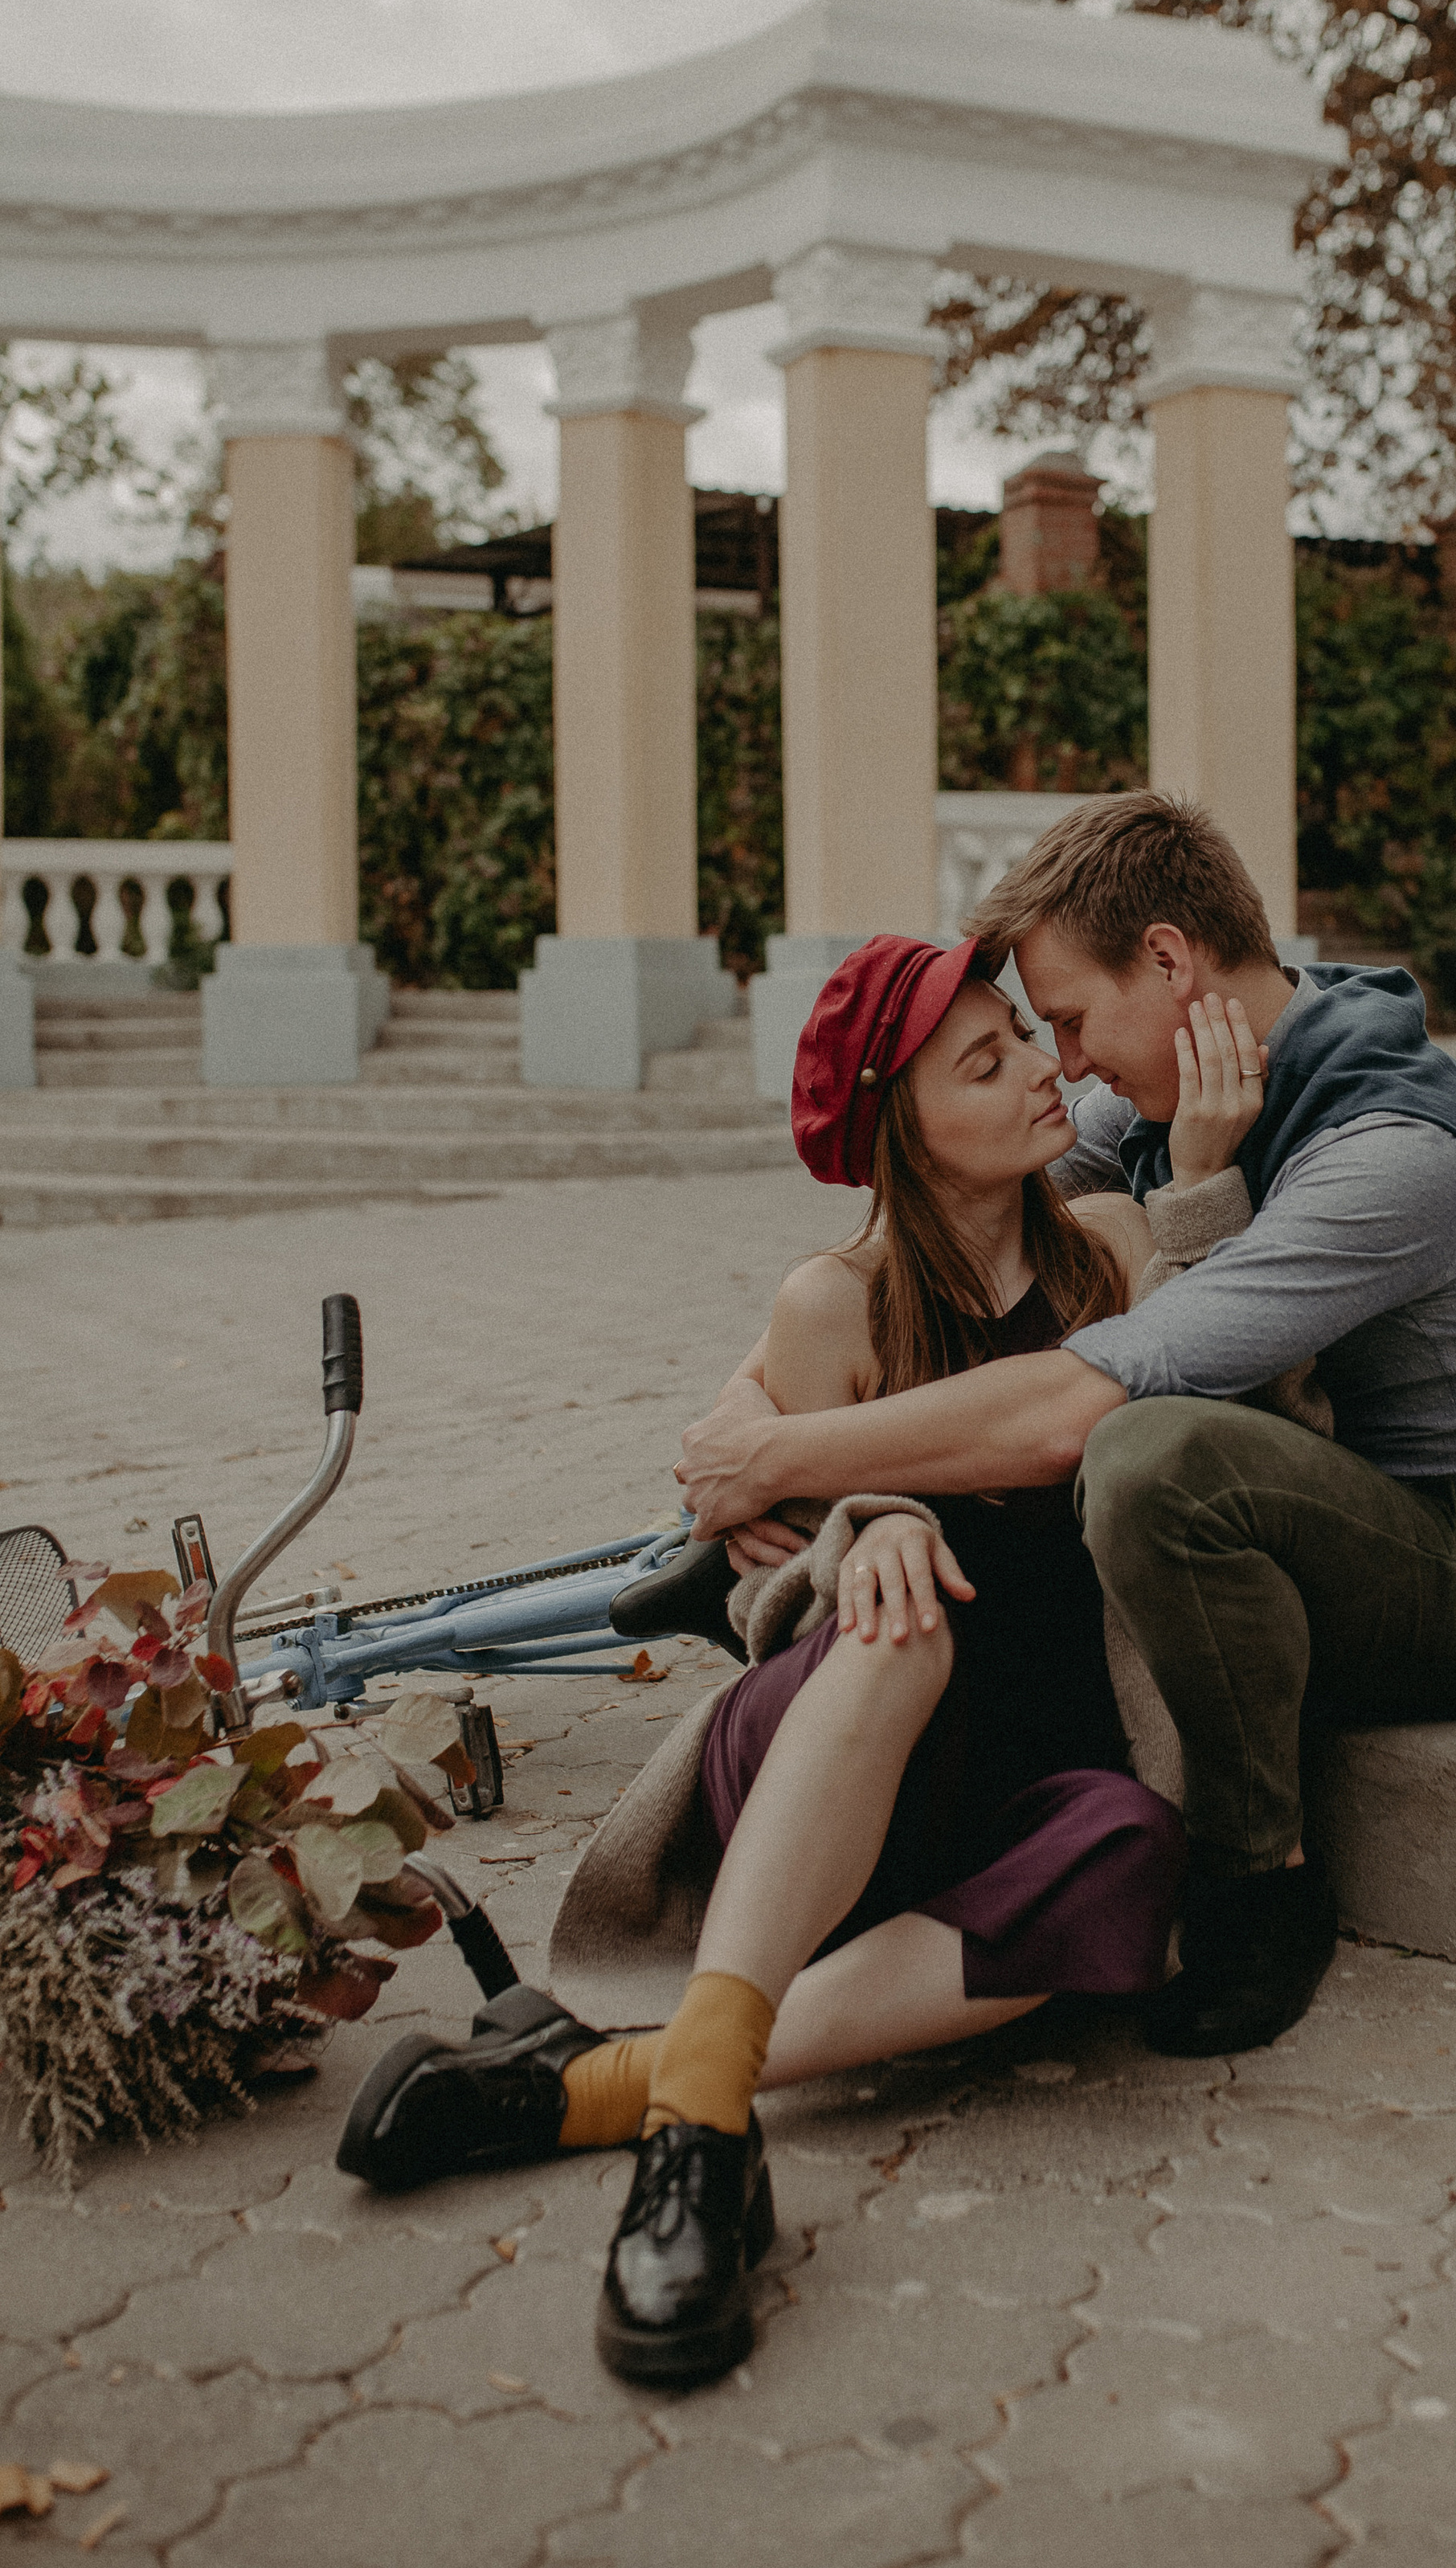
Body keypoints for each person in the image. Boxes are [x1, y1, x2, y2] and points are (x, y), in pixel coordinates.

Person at [337, 928, 1266, 2390]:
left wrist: (1205, 1175)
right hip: (826, 1749)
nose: (1043, 1068)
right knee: (904, 1622)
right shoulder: (832, 1304)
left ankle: (624, 2087)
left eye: (1027, 1033)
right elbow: (742, 1517)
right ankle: (702, 2158)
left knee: (1135, 1852)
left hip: (1021, 1782)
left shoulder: (1117, 1252)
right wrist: (861, 1532)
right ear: (904, 1122)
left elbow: (1241, 1426)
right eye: (988, 1060)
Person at [679, 791, 1456, 2069]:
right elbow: (925, 1244)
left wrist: (778, 1460)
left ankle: (1258, 1874)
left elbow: (1078, 1405)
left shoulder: (1387, 1158)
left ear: (1168, 961)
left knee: (1148, 1457)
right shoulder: (1163, 1088)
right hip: (1308, 1503)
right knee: (1129, 1473)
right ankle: (709, 2047)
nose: (1064, 1060)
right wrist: (750, 1404)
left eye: (1062, 1020)